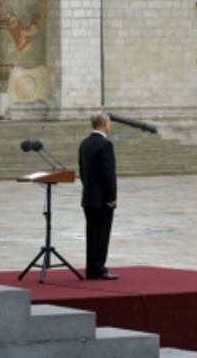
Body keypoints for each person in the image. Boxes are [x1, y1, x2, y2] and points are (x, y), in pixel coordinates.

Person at [78, 111, 118, 281]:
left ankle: (91, 269)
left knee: (91, 234)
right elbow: (107, 174)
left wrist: (88, 188)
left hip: (88, 197)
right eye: (109, 122)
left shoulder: (84, 143)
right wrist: (110, 198)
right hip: (102, 199)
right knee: (101, 235)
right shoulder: (105, 145)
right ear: (104, 124)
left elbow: (82, 171)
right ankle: (99, 267)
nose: (111, 125)